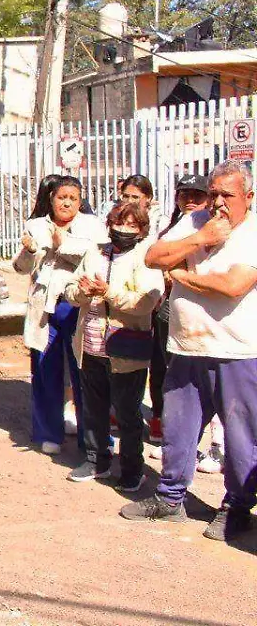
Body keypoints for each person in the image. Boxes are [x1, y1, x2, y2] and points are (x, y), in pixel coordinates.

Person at [121, 160, 257, 542]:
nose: (217, 202)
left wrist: (181, 274)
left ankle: (238, 506)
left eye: (226, 195)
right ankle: (170, 497)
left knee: (241, 434)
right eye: (212, 193)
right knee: (179, 428)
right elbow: (152, 258)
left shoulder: (253, 232)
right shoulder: (196, 222)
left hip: (238, 349)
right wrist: (200, 239)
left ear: (248, 197)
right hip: (187, 346)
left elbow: (232, 286)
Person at [64, 202, 163, 490]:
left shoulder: (146, 258)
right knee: (93, 408)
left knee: (127, 412)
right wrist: (82, 292)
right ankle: (97, 459)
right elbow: (70, 290)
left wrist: (108, 293)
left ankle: (133, 468)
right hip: (91, 344)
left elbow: (146, 302)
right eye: (120, 223)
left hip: (126, 350)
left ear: (142, 230)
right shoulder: (95, 252)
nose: (124, 230)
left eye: (132, 225)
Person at [13, 175, 106, 455]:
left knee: (85, 371)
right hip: (46, 306)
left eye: (73, 198)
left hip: (79, 304)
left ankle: (91, 436)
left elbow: (94, 258)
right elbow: (22, 267)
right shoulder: (36, 225)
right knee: (44, 367)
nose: (66, 202)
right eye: (61, 197)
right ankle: (47, 431)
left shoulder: (92, 226)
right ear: (51, 198)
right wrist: (30, 251)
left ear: (80, 201)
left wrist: (60, 244)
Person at [148, 172, 211, 445]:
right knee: (168, 371)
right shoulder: (172, 228)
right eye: (185, 194)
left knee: (206, 380)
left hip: (205, 312)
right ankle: (167, 429)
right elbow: (154, 257)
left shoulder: (212, 226)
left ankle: (207, 441)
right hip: (168, 308)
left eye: (197, 195)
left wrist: (180, 274)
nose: (190, 200)